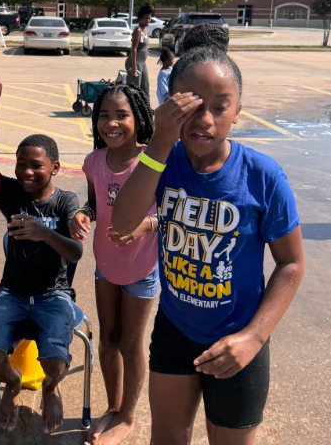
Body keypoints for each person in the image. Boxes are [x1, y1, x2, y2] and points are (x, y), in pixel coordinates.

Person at [113, 48, 304, 444]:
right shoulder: (163, 160)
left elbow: (291, 264)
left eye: (220, 108)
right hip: (176, 328)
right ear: (170, 106)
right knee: (167, 435)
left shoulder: (262, 176)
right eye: (191, 105)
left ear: (238, 111)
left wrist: (254, 337)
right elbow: (123, 221)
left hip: (237, 337)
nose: (204, 120)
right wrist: (161, 142)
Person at [0, 79, 82, 435]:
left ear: (55, 167)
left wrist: (45, 233)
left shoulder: (65, 201)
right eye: (21, 165)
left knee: (55, 361)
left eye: (36, 166)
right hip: (13, 293)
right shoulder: (13, 193)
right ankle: (13, 384)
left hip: (54, 294)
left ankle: (51, 388)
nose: (26, 172)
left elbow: (76, 251)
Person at [69, 82, 159, 445]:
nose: (112, 123)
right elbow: (93, 203)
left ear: (138, 118)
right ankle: (113, 406)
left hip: (141, 268)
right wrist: (81, 213)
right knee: (108, 339)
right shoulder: (93, 162)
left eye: (121, 115)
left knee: (131, 342)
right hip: (105, 265)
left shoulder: (152, 159)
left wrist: (144, 226)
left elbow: (171, 213)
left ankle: (128, 417)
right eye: (104, 115)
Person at [127, 4, 153, 100]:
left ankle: (146, 110)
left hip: (142, 63)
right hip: (134, 63)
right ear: (140, 18)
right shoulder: (137, 31)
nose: (148, 20)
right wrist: (134, 66)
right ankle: (134, 110)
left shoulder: (145, 30)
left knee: (145, 87)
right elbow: (133, 49)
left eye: (149, 18)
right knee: (135, 90)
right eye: (146, 18)